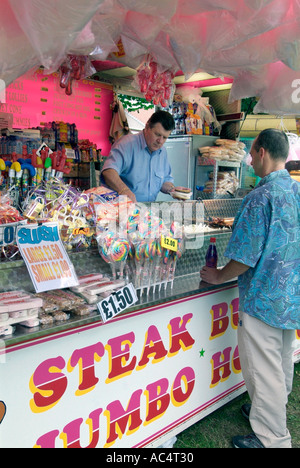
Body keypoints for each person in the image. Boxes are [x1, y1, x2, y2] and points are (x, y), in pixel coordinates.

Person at [200, 129, 300, 448]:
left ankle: (272, 438)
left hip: (263, 298)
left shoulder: (260, 197)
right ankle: (268, 412)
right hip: (290, 295)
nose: (250, 159)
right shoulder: (296, 192)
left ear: (261, 153)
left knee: (263, 368)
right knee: (281, 361)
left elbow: (244, 257)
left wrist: (217, 276)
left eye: (252, 152)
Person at [101, 110, 176, 202]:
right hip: (122, 209)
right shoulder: (126, 144)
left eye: (164, 137)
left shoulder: (162, 152)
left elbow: (164, 181)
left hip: (147, 211)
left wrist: (173, 190)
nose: (160, 141)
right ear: (147, 127)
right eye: (157, 134)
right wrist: (124, 190)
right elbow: (109, 171)